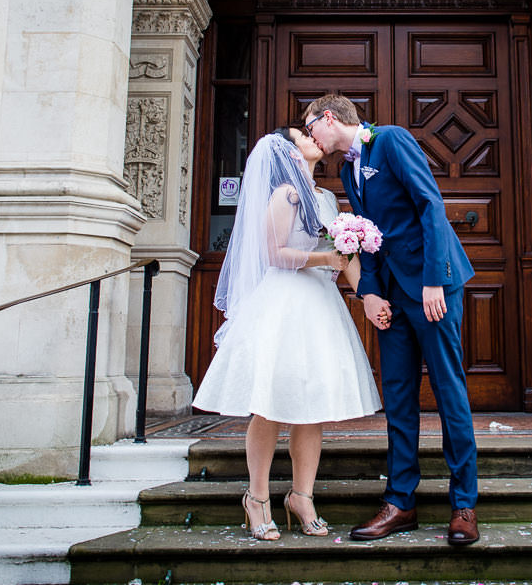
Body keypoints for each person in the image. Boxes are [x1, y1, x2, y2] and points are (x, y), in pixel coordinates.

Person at [302, 94, 480, 546]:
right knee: (398, 398)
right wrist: (369, 293)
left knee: (448, 391)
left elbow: (429, 205)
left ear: (329, 118)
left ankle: (464, 505)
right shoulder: (347, 169)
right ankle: (400, 502)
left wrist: (435, 278)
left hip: (431, 288)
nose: (311, 138)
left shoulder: (392, 141)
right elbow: (369, 237)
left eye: (311, 128)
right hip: (392, 300)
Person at [192, 127, 381, 540]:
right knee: (271, 404)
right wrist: (324, 256)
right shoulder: (284, 195)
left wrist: (369, 295)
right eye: (303, 136)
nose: (313, 137)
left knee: (311, 405)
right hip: (284, 303)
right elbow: (274, 253)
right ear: (291, 153)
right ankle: (257, 498)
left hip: (319, 304)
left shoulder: (327, 199)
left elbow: (344, 255)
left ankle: (302, 495)